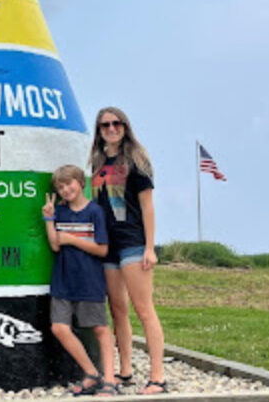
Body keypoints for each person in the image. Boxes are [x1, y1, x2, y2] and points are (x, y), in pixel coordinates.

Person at [90, 106, 166, 395]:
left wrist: (150, 247)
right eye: (105, 125)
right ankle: (125, 371)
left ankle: (158, 377)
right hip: (108, 246)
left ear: (125, 126)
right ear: (99, 131)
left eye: (116, 123)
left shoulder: (136, 160)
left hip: (133, 242)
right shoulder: (97, 164)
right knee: (118, 310)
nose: (111, 129)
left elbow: (147, 206)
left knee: (144, 309)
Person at [42, 165, 118, 397]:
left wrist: (72, 239)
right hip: (63, 280)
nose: (66, 189)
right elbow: (55, 244)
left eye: (69, 183)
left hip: (89, 280)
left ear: (80, 182)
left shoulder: (95, 212)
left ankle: (110, 380)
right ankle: (91, 373)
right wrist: (48, 218)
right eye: (60, 187)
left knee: (100, 329)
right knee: (59, 327)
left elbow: (102, 249)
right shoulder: (61, 213)